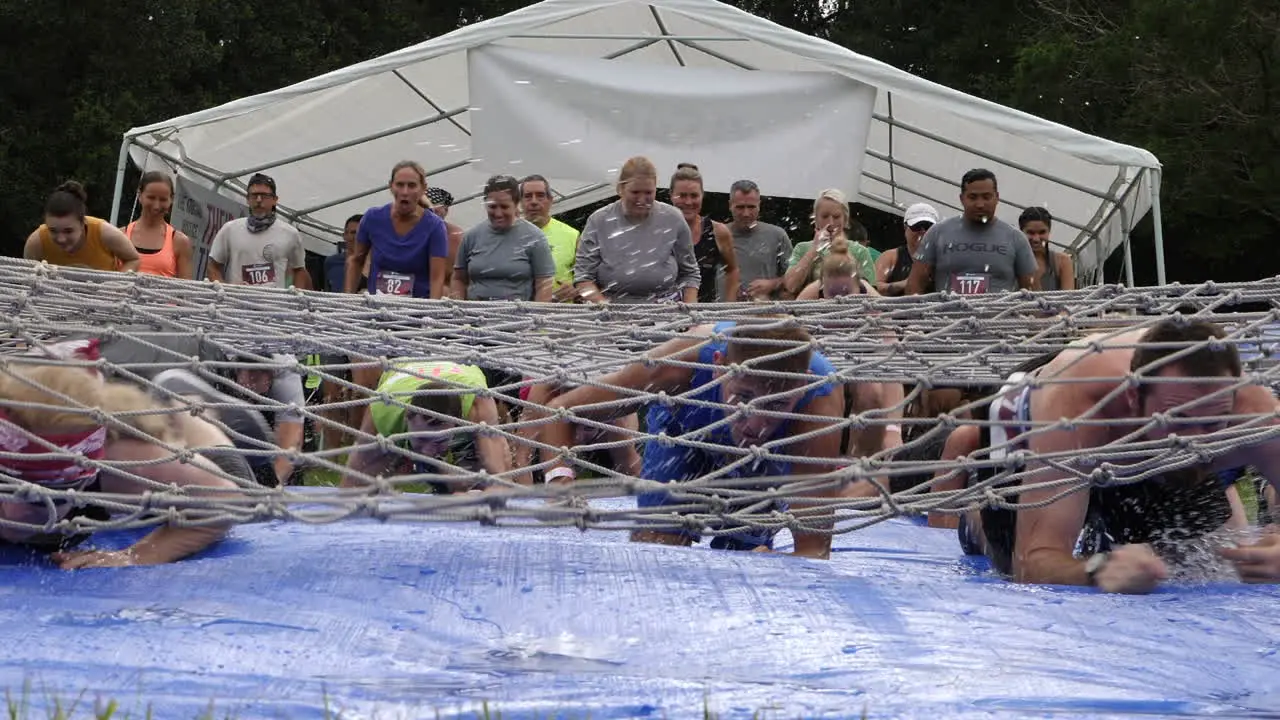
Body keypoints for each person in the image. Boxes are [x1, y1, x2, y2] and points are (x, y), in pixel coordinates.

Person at [937, 318, 1280, 592]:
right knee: (1012, 571)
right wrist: (1098, 570)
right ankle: (975, 520)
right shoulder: (1077, 403)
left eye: (1211, 425)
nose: (1192, 444)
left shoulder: (1260, 419)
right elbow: (1034, 561)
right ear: (1133, 400)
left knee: (1196, 563)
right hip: (1031, 419)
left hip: (1141, 452)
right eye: (1179, 421)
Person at [538, 321, 881, 558]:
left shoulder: (817, 404)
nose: (756, 423)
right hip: (684, 428)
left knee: (746, 559)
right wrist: (559, 485)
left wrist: (777, 564)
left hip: (770, 455)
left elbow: (814, 549)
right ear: (719, 367)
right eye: (744, 397)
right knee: (657, 546)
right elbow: (563, 409)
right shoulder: (678, 365)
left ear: (802, 384)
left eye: (776, 403)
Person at [0, 364, 244, 568]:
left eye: (44, 495)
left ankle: (185, 401)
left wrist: (136, 556)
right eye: (14, 486)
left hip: (159, 446)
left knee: (246, 486)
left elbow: (227, 499)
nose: (18, 513)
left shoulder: (121, 458)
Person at [342, 360, 512, 492]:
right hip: (404, 370)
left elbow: (501, 479)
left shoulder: (478, 405)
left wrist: (488, 494)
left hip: (463, 372)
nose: (428, 451)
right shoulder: (381, 411)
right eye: (422, 439)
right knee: (366, 483)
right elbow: (350, 485)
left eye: (439, 441)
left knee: (483, 476)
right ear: (408, 417)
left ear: (458, 423)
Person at [573, 156, 700, 304]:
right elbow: (583, 278)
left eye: (648, 193)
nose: (641, 199)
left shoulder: (673, 218)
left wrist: (689, 311)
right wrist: (604, 308)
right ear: (620, 189)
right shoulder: (598, 220)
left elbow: (690, 274)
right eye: (635, 192)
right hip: (610, 310)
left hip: (666, 310)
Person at [905, 169, 1036, 296]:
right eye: (973, 197)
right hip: (948, 317)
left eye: (986, 197)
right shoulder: (937, 233)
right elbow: (914, 286)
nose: (980, 204)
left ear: (997, 198)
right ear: (962, 199)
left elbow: (1033, 294)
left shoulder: (1015, 238)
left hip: (999, 317)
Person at [347, 161, 449, 300]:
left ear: (423, 188)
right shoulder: (372, 218)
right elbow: (356, 261)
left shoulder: (435, 226)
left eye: (412, 185)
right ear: (391, 186)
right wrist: (348, 300)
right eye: (400, 185)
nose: (405, 192)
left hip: (417, 312)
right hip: (377, 309)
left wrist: (431, 316)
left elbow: (437, 278)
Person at [452, 175, 555, 302]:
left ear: (516, 204)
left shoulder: (535, 237)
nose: (498, 213)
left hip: (518, 317)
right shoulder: (471, 236)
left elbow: (544, 284)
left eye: (504, 207)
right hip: (476, 315)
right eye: (492, 207)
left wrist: (537, 316)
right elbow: (458, 279)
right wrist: (458, 306)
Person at [24, 182, 140, 272]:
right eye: (53, 231)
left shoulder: (105, 233)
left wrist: (116, 286)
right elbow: (28, 276)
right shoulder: (36, 242)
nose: (61, 239)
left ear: (83, 223)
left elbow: (133, 259)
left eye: (68, 231)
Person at [782, 189, 874, 299]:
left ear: (845, 220)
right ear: (816, 219)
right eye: (825, 216)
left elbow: (870, 292)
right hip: (810, 311)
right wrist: (814, 250)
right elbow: (790, 286)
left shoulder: (860, 251)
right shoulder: (802, 248)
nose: (830, 223)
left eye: (836, 217)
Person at [669, 163, 740, 303]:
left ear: (702, 196)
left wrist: (728, 309)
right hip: (664, 314)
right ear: (671, 195)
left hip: (705, 315)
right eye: (682, 196)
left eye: (694, 196)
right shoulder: (658, 230)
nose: (688, 202)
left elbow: (732, 270)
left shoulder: (718, 232)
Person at [519, 174, 582, 302]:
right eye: (528, 196)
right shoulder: (507, 235)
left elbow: (587, 279)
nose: (534, 201)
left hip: (562, 316)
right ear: (520, 202)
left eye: (540, 195)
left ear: (551, 200)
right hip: (519, 315)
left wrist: (576, 289)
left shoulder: (572, 235)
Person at [123, 172, 194, 279]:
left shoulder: (180, 242)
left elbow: (187, 290)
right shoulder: (120, 235)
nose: (156, 206)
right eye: (151, 198)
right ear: (139, 195)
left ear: (172, 199)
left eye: (163, 200)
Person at [875, 203, 937, 296]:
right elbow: (874, 287)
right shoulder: (891, 257)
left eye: (928, 227)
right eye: (917, 226)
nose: (923, 231)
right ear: (905, 227)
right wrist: (905, 284)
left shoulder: (944, 257)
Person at [1018, 207, 1076, 291]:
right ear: (1021, 233)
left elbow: (1068, 297)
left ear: (1049, 232)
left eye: (1042, 232)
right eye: (1031, 233)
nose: (1036, 239)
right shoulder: (1012, 261)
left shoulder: (1062, 261)